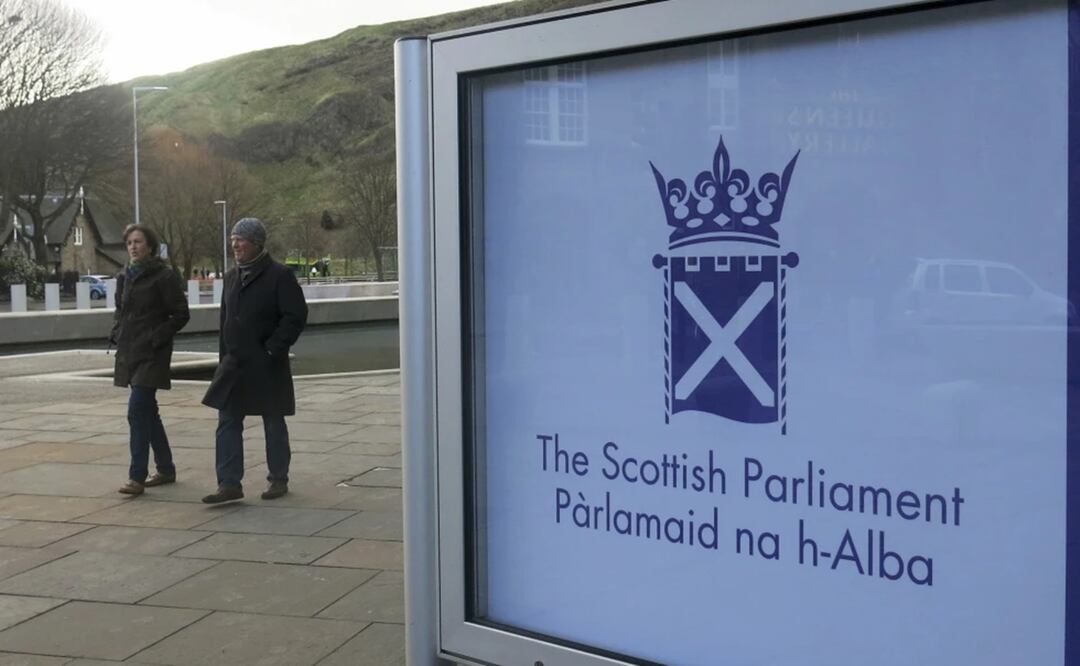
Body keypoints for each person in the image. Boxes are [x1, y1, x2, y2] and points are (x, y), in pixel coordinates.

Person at [202, 217, 308, 503]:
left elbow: (295, 316)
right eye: (233, 239)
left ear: (257, 243)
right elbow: (225, 319)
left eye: (241, 239)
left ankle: (278, 478)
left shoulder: (280, 275)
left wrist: (273, 348)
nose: (234, 244)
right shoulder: (231, 276)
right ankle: (228, 484)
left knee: (273, 421)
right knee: (227, 421)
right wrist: (223, 357)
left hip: (266, 363)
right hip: (234, 364)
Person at [110, 224, 190, 496]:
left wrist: (156, 337)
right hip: (130, 351)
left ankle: (137, 476)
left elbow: (181, 314)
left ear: (150, 246)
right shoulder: (124, 276)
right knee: (148, 412)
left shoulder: (163, 276)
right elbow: (120, 310)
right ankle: (166, 469)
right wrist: (117, 332)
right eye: (129, 242)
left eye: (138, 242)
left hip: (152, 354)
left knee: (136, 411)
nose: (133, 247)